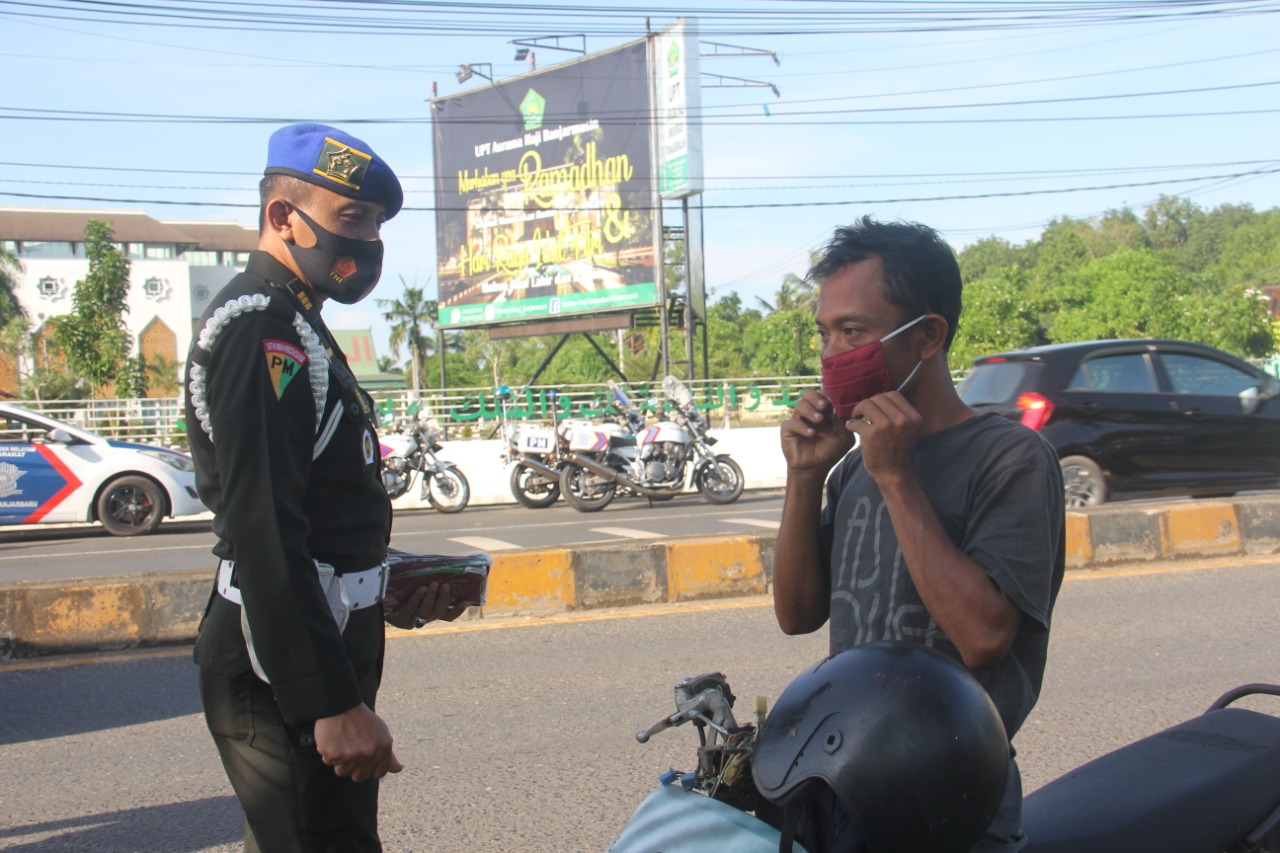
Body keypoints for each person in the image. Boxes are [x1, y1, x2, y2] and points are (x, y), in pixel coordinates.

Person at [185, 123, 468, 852]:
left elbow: (319, 510)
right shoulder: (261, 331)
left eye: (375, 223)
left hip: (313, 643)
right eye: (351, 219)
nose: (367, 240)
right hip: (277, 667)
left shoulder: (299, 323)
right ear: (283, 217)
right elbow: (264, 528)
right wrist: (330, 703)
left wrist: (385, 584)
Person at [772, 216, 1066, 852]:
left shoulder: (1009, 459)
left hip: (952, 798)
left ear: (927, 336)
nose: (831, 355)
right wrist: (804, 478)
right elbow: (797, 615)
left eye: (853, 331)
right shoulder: (853, 466)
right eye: (825, 333)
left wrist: (898, 476)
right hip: (843, 782)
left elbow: (985, 637)